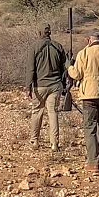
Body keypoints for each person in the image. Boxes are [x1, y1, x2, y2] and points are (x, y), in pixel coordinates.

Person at [68, 28, 99, 172]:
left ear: (88, 40)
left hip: (89, 94)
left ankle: (92, 161)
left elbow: (76, 74)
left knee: (90, 127)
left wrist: (69, 66)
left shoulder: (84, 53)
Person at [26, 24, 66, 152]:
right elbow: (63, 68)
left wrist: (28, 86)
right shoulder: (58, 46)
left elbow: (31, 69)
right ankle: (54, 144)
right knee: (53, 113)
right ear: (50, 33)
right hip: (55, 85)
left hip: (40, 85)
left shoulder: (34, 47)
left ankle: (35, 140)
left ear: (39, 33)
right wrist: (64, 85)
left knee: (37, 112)